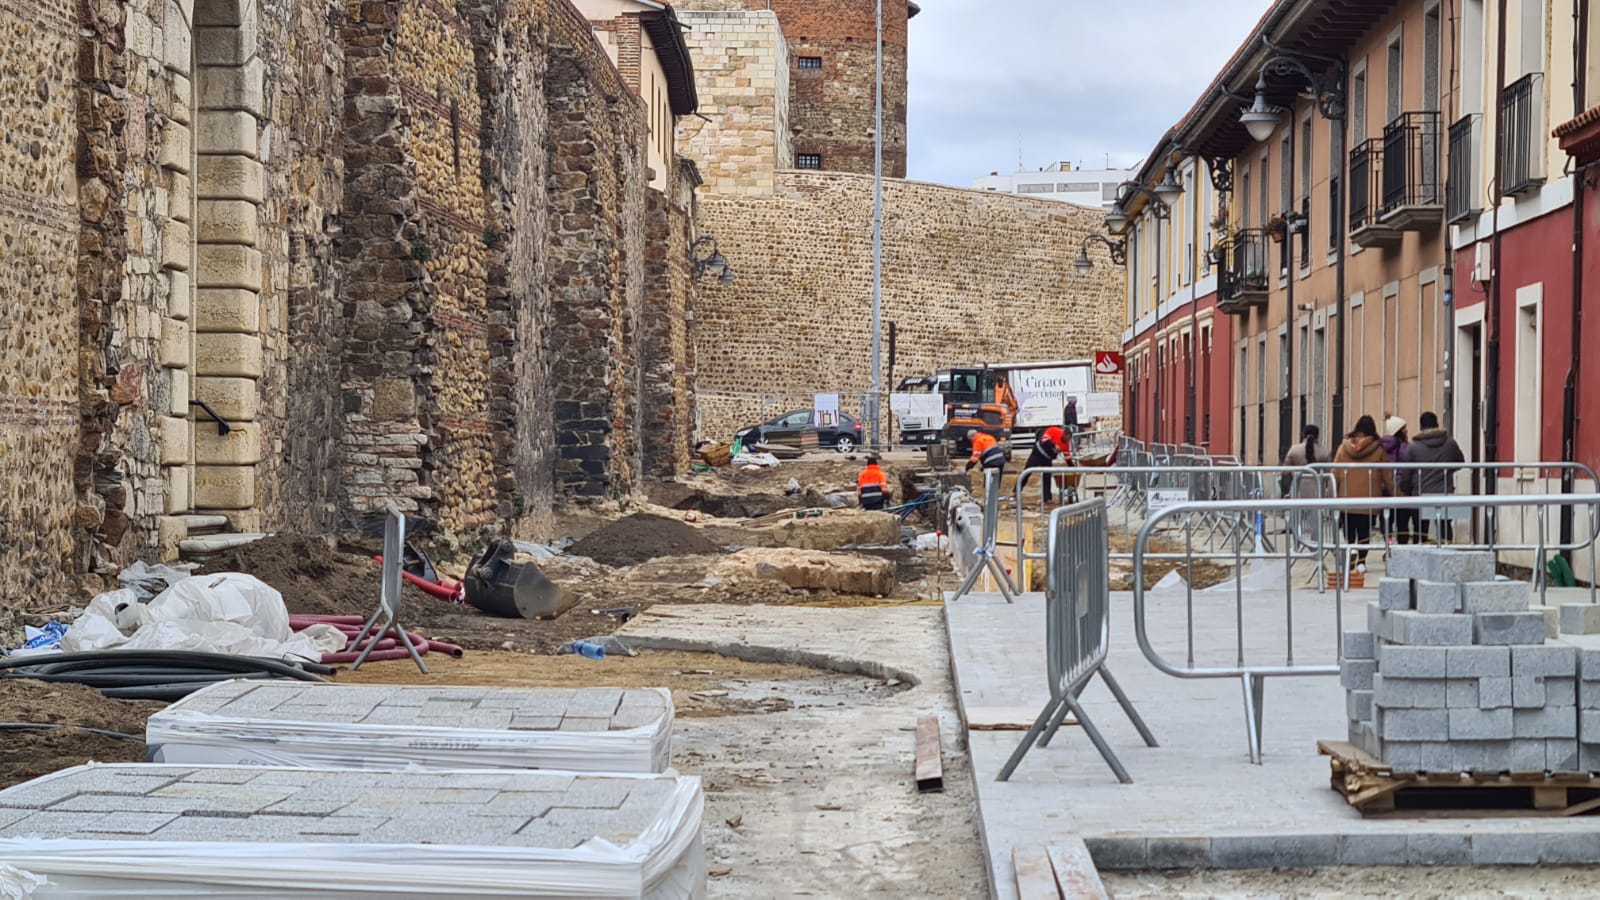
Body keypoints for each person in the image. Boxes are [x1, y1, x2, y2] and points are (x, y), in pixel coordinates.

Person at [1333, 415, 1395, 571]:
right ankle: (1361, 560)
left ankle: (1351, 548)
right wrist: (1395, 493)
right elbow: (1387, 474)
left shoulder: (1343, 448)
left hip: (1346, 497)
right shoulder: (1378, 450)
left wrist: (1332, 493)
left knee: (1349, 527)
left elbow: (1335, 472)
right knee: (1364, 531)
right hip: (1369, 498)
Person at [1406, 411, 1466, 543]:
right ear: (1437, 424)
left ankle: (1420, 556)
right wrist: (1446, 471)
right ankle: (1447, 552)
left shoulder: (1413, 448)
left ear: (1421, 426)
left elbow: (1406, 473)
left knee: (1420, 530)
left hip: (1420, 493)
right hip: (1444, 492)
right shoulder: (1450, 443)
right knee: (1445, 527)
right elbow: (1460, 462)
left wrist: (1406, 490)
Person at [1380, 415, 1418, 545]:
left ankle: (1388, 544)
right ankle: (1402, 547)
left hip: (1386, 487)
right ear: (1399, 430)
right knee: (1402, 520)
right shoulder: (1406, 447)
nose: (1406, 430)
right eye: (1404, 428)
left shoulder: (1381, 447)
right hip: (1402, 487)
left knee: (1386, 519)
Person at [1025, 425, 1069, 506]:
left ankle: (1047, 498)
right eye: (1067, 438)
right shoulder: (1055, 431)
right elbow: (1044, 440)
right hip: (1038, 453)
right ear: (1064, 434)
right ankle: (1015, 491)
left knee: (1047, 477)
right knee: (1027, 472)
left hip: (1047, 458)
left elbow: (1067, 457)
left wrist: (1073, 469)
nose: (1067, 440)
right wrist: (1054, 446)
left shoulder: (1066, 444)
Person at [1281, 424, 1325, 497]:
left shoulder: (1294, 450)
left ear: (1303, 435)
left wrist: (1289, 486)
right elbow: (1328, 473)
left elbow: (1285, 472)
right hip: (1317, 492)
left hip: (1298, 491)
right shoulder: (1324, 452)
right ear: (1317, 436)